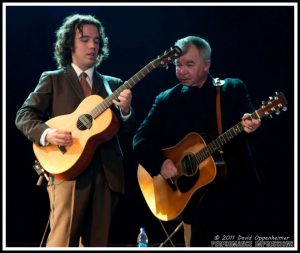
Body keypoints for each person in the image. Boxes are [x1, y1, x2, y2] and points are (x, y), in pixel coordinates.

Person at [15, 14, 135, 247]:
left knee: (97, 244)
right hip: (67, 171)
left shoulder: (114, 83)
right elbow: (24, 115)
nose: (92, 45)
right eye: (85, 39)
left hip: (106, 175)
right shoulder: (53, 79)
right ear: (70, 43)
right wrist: (47, 134)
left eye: (97, 41)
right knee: (62, 241)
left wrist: (127, 110)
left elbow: (128, 129)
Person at [132, 36, 263, 247]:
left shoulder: (232, 89)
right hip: (196, 204)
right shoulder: (166, 99)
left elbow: (253, 130)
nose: (181, 70)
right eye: (178, 65)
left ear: (206, 65)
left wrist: (252, 126)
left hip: (237, 196)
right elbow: (140, 139)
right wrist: (160, 162)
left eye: (189, 64)